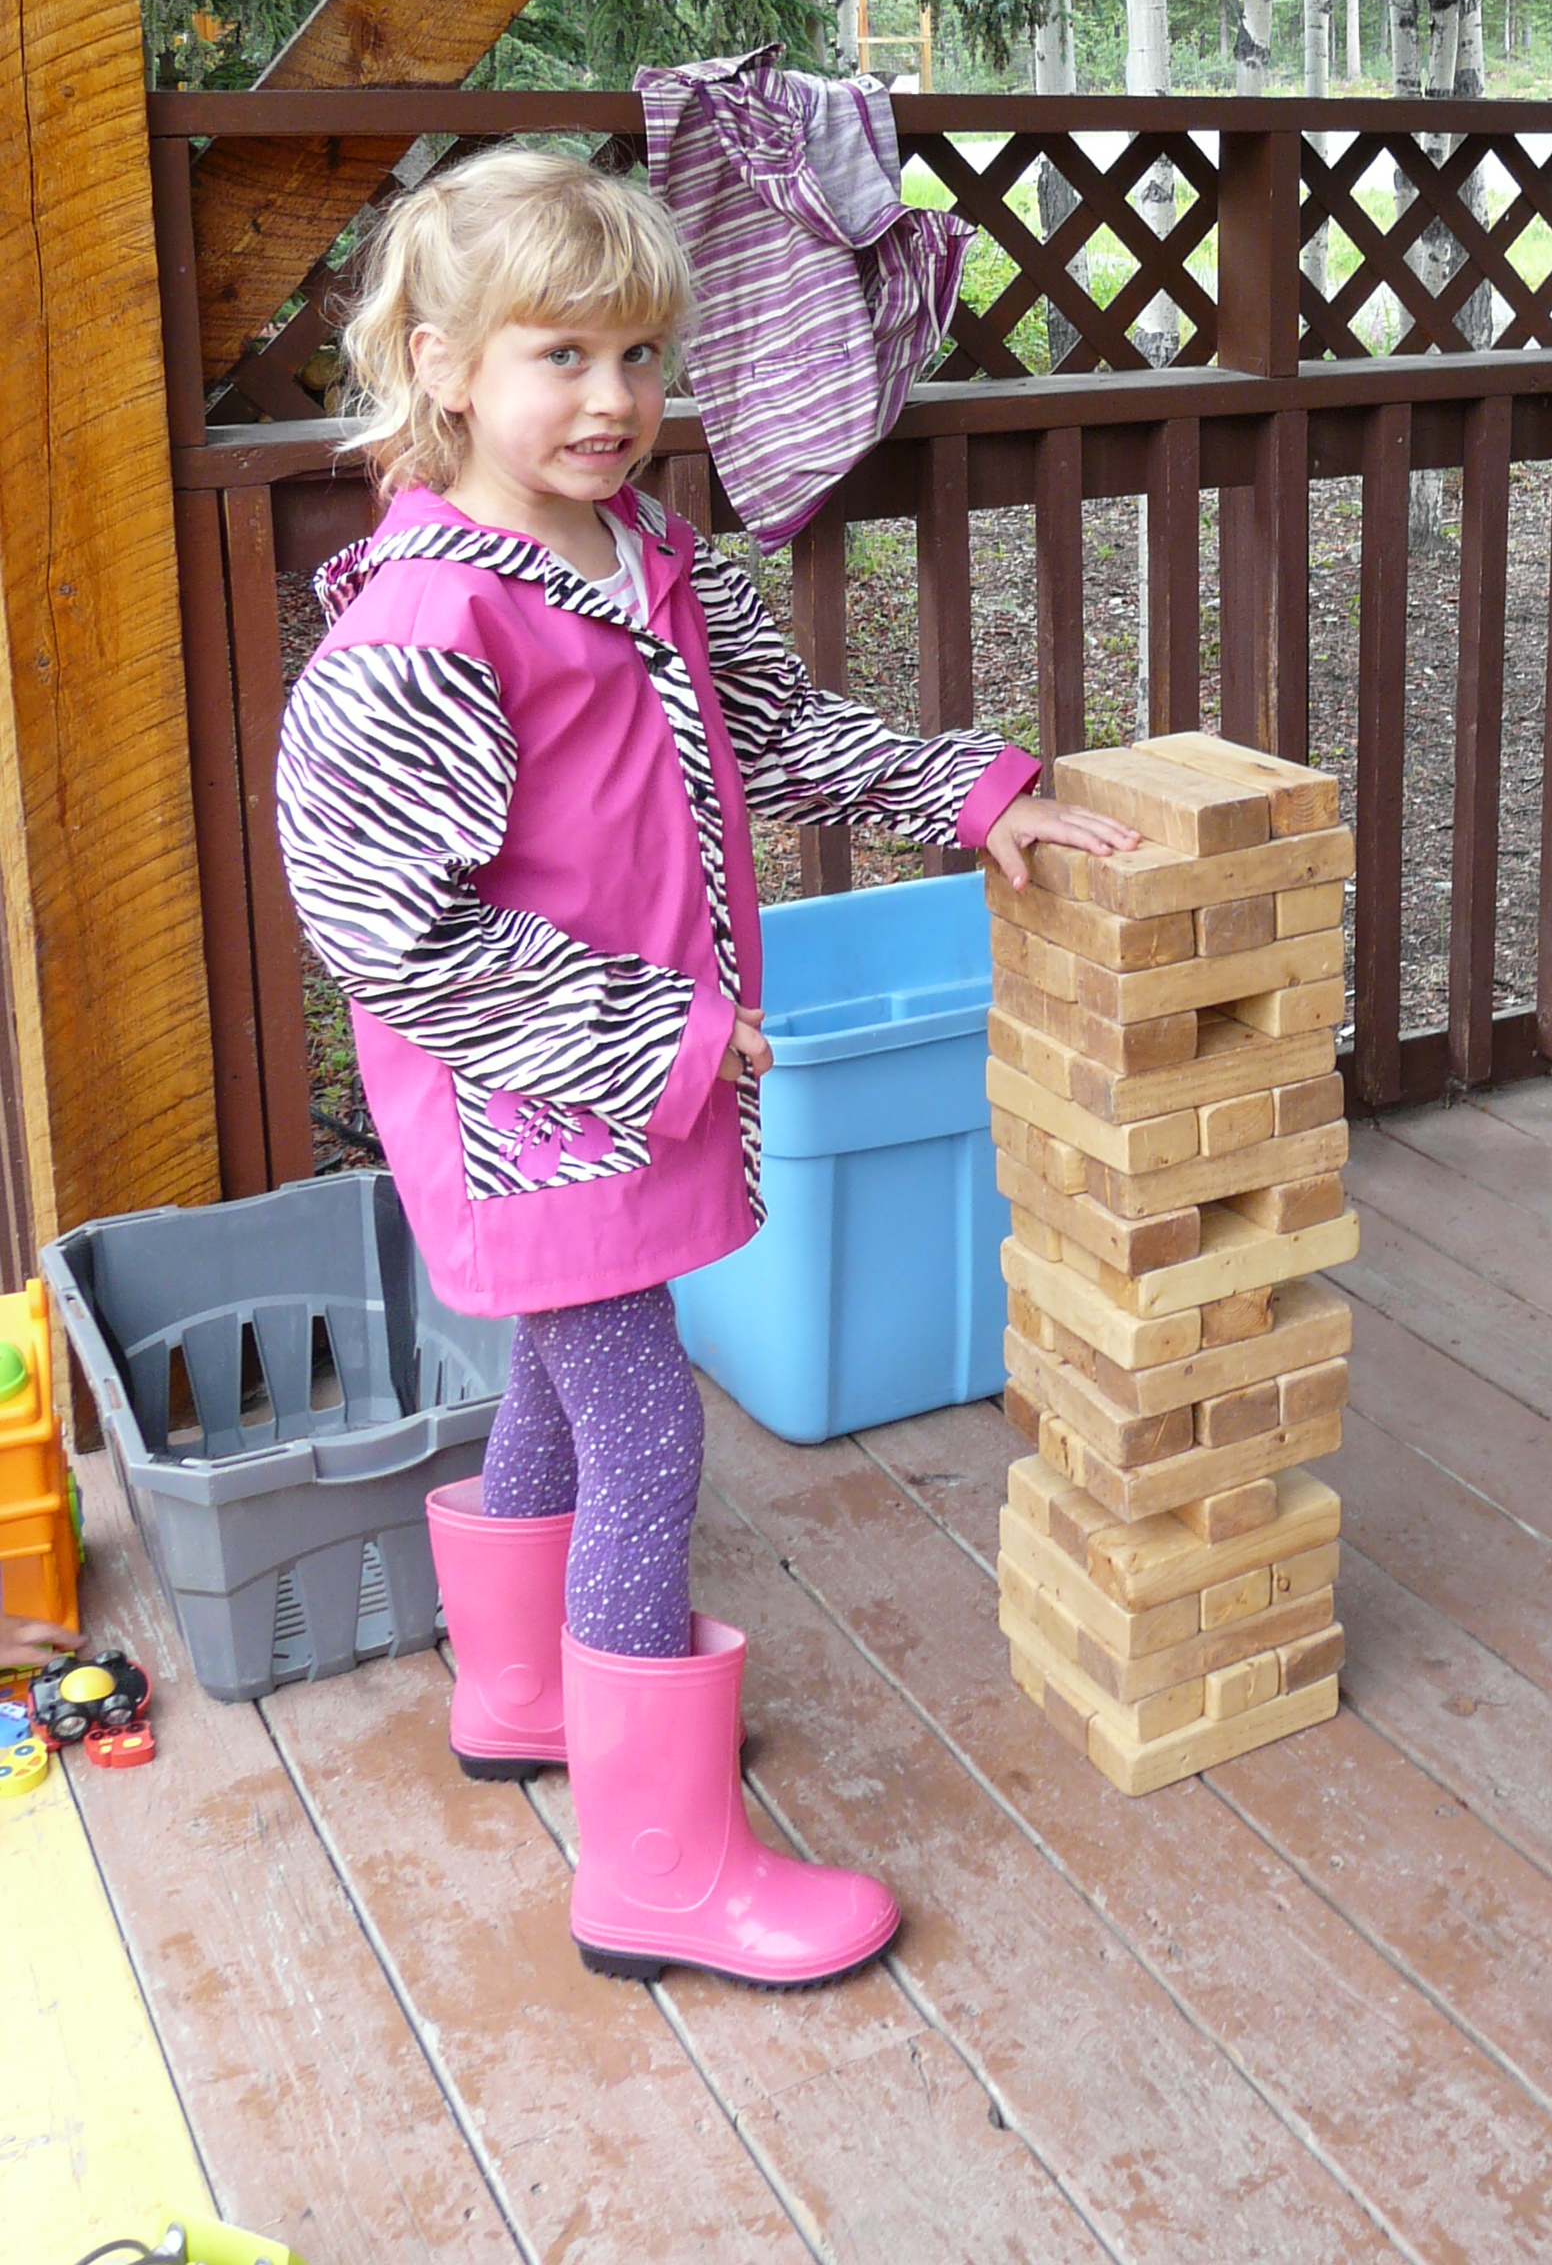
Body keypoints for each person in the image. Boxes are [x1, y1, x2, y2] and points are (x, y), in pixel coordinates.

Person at [273, 147, 1132, 1987]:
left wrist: (975, 798)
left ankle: (524, 1693)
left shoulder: (648, 556)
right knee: (649, 1430)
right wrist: (652, 1033)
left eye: (640, 357)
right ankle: (655, 1867)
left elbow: (782, 729)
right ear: (440, 364)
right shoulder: (430, 628)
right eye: (559, 355)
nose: (612, 400)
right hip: (536, 1106)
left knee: (567, 1378)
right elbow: (387, 932)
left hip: (626, 1086)